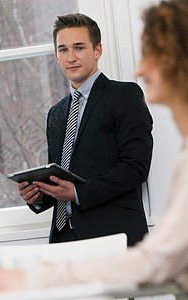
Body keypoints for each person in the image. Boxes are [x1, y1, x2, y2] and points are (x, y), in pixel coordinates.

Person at [0, 0, 188, 298]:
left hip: (121, 241)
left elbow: (160, 258)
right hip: (71, 241)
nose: (140, 67)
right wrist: (39, 194)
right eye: (62, 49)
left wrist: (36, 279)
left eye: (153, 55)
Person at [19, 13, 153, 245]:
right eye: (63, 50)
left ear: (97, 51)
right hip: (64, 239)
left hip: (112, 235)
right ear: (56, 56)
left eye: (79, 48)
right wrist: (37, 196)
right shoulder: (56, 113)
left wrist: (78, 193)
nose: (71, 57)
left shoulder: (124, 95)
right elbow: (59, 178)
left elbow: (136, 167)